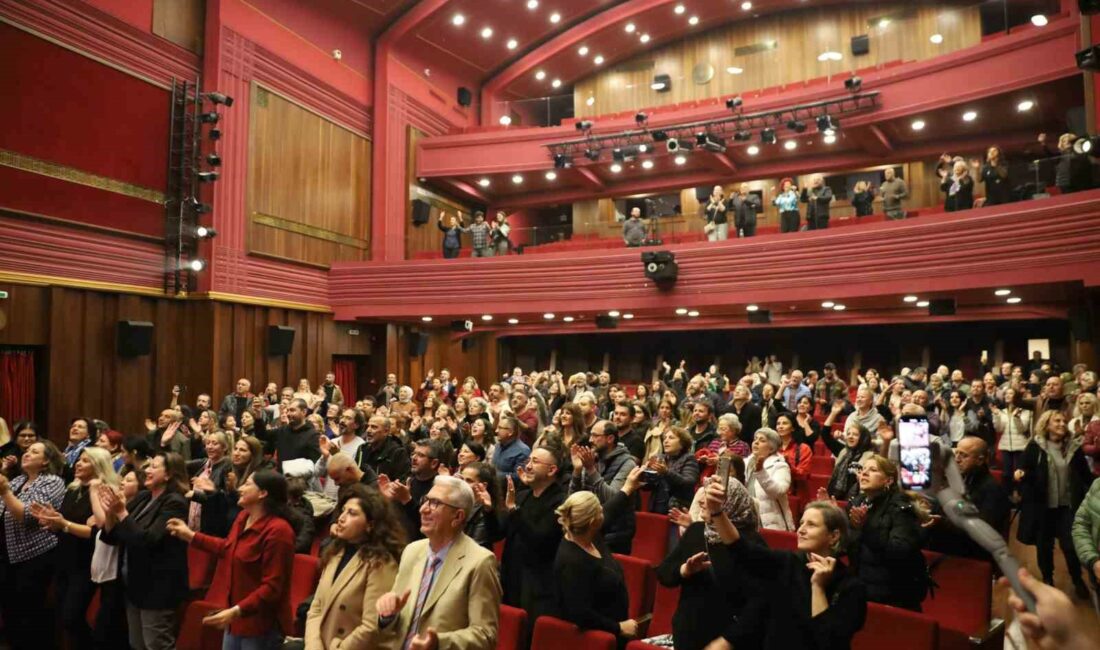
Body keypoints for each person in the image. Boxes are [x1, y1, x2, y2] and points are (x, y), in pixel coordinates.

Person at [704, 480, 867, 650]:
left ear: (834, 536)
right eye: (801, 523)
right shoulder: (788, 563)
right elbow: (740, 549)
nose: (801, 530)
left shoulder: (852, 588)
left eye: (811, 525)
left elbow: (827, 642)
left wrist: (818, 587)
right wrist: (717, 512)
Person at [168, 470, 295, 649]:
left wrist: (236, 611)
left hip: (261, 626)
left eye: (247, 484)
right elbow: (228, 548)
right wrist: (190, 536)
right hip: (235, 620)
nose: (240, 488)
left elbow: (272, 587)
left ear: (262, 493)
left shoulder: (279, 532)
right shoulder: (243, 517)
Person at [375, 475, 502, 650]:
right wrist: (387, 616)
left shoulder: (480, 562)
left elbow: (486, 635)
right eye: (425, 500)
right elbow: (396, 623)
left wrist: (439, 643)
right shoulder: (412, 551)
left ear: (457, 516)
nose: (423, 509)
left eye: (435, 503)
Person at [656, 473, 761, 650]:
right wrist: (685, 570)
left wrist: (729, 640)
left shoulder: (751, 543)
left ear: (731, 503)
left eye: (711, 498)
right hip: (688, 632)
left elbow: (758, 603)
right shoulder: (697, 530)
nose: (701, 502)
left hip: (728, 641)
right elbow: (663, 574)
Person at [98, 451, 191, 650]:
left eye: (154, 466)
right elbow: (111, 537)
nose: (147, 470)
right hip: (133, 583)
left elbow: (148, 540)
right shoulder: (142, 497)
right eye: (148, 466)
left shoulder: (175, 502)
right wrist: (110, 513)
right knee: (137, 644)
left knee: (156, 644)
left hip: (158, 587)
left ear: (168, 474)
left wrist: (121, 512)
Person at [28, 446, 118, 649]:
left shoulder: (104, 492)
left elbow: (97, 532)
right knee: (62, 617)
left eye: (85, 461)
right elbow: (67, 524)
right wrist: (51, 522)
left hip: (86, 563)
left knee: (72, 618)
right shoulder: (73, 490)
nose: (78, 463)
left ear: (98, 466)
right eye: (79, 459)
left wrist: (65, 525)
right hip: (65, 559)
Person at [305, 484, 405, 649]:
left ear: (370, 524)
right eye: (343, 510)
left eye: (352, 513)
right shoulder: (335, 552)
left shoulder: (381, 563)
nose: (341, 518)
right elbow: (316, 608)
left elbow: (372, 626)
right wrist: (313, 646)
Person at [1015, 410, 1092, 598]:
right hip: (1043, 506)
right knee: (1044, 545)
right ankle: (1048, 579)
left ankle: (1077, 579)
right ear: (1046, 424)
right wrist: (1021, 474)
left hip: (1067, 506)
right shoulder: (1035, 446)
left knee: (1070, 545)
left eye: (1064, 421)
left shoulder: (1073, 447)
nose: (1062, 423)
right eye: (1057, 420)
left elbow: (1085, 476)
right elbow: (1024, 469)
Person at [0, 440, 66, 650]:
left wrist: (4, 492)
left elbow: (26, 516)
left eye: (34, 451)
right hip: (8, 554)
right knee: (9, 609)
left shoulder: (52, 482)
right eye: (27, 450)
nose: (26, 453)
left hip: (35, 555)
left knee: (29, 613)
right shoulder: (18, 480)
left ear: (46, 461)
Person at [552, 487, 637, 640]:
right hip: (599, 638)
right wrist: (618, 627)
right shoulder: (571, 562)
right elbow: (580, 613)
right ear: (593, 522)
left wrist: (627, 489)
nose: (603, 511)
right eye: (599, 510)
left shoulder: (589, 535)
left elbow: (610, 511)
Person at [846, 455, 929, 611]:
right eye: (863, 469)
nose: (864, 473)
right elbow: (850, 547)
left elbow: (900, 551)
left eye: (873, 470)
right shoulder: (857, 502)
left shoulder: (901, 507)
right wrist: (833, 521)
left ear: (888, 481)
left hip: (894, 593)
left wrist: (866, 527)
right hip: (862, 585)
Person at [499, 446, 566, 623]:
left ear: (552, 470)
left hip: (537, 587)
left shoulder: (561, 502)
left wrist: (513, 510)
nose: (528, 466)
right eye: (528, 460)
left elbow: (539, 540)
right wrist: (489, 509)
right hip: (511, 577)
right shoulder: (522, 496)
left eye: (535, 461)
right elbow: (500, 533)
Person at [569, 420, 637, 554]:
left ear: (610, 438)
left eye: (595, 435)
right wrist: (577, 471)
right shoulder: (593, 458)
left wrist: (590, 470)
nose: (590, 439)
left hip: (615, 532)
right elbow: (574, 497)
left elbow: (614, 499)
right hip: (590, 527)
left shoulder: (628, 463)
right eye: (590, 435)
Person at [745, 428, 795, 531]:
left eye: (762, 440)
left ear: (771, 448)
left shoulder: (780, 466)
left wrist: (760, 471)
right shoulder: (746, 462)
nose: (756, 442)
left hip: (772, 523)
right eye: (755, 439)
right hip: (748, 520)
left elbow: (778, 491)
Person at [186, 431, 233, 537]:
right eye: (208, 443)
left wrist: (194, 495)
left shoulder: (227, 467)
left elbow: (225, 499)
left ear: (224, 447)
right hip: (195, 519)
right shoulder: (205, 463)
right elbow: (178, 464)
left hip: (212, 525)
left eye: (214, 443)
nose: (209, 447)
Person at [645, 427, 700, 514]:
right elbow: (648, 487)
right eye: (665, 438)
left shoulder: (689, 459)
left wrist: (666, 472)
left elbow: (688, 483)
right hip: (657, 508)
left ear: (682, 443)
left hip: (677, 510)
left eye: (671, 438)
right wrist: (646, 473)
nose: (666, 441)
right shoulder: (661, 458)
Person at [823, 422, 875, 501]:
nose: (850, 436)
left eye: (855, 434)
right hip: (835, 495)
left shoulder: (870, 456)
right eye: (849, 434)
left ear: (863, 438)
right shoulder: (843, 451)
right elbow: (825, 435)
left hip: (858, 499)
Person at [458, 462, 503, 549]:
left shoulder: (486, 511)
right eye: (462, 479)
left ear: (483, 485)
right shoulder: (458, 501)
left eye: (469, 480)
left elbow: (475, 546)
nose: (463, 484)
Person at [362, 415, 411, 481]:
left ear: (386, 432)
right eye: (367, 426)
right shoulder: (363, 448)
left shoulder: (398, 452)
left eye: (374, 427)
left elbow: (401, 481)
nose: (368, 430)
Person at [491, 414, 530, 483]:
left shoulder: (523, 451)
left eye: (500, 428)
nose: (496, 431)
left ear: (510, 432)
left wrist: (494, 475)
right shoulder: (498, 445)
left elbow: (519, 476)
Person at [775, 413, 813, 482]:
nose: (780, 426)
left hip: (795, 490)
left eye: (785, 423)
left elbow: (804, 475)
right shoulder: (772, 448)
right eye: (778, 424)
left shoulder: (804, 448)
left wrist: (788, 465)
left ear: (792, 428)